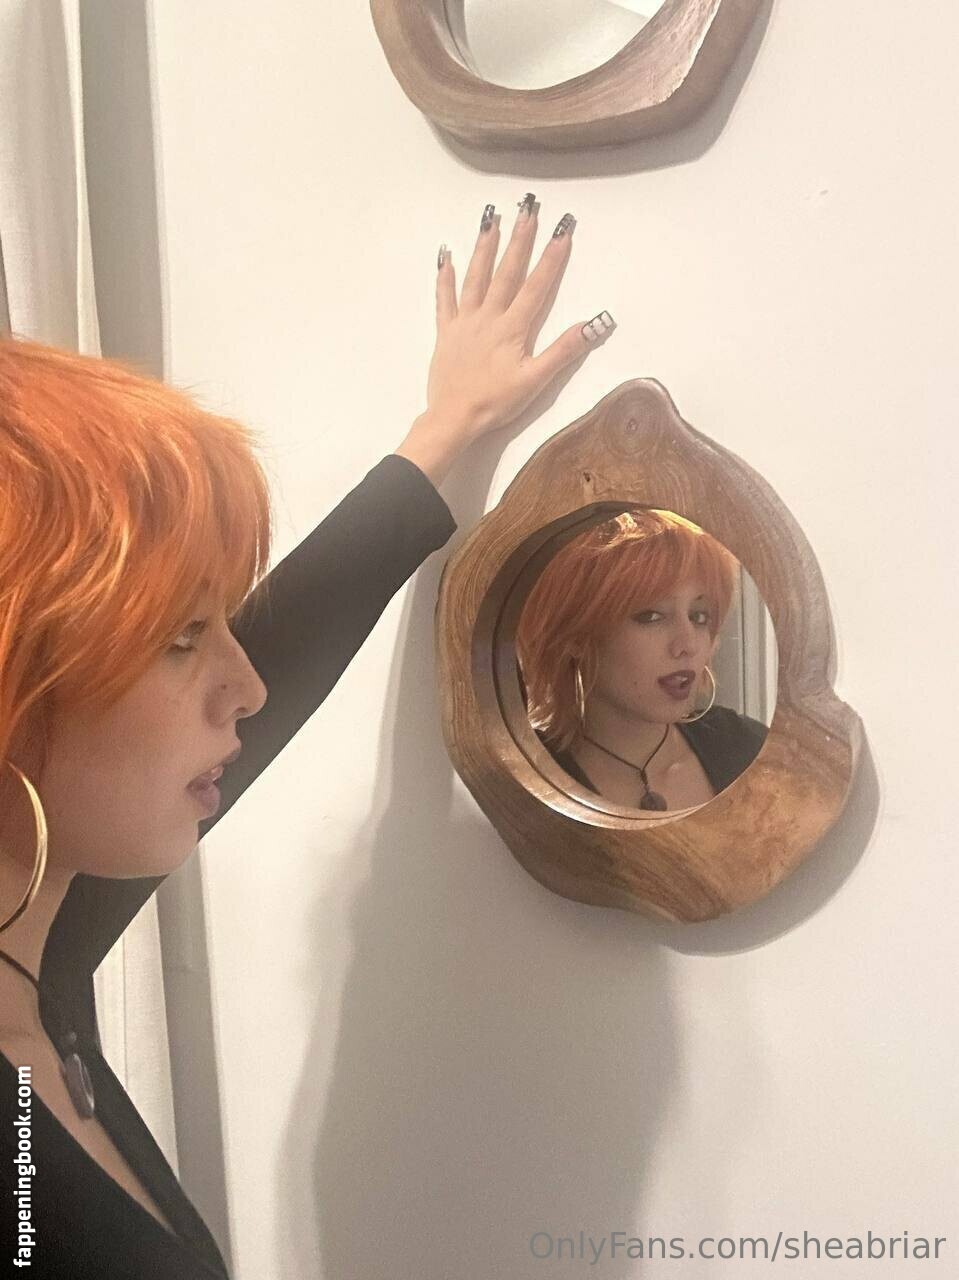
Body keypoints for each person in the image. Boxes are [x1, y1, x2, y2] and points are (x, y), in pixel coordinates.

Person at [0, 195, 616, 1276]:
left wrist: (446, 430)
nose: (242, 685)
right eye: (183, 639)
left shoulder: (36, 948)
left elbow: (280, 657)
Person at [516, 507, 768, 813]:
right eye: (651, 616)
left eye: (699, 616)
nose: (687, 645)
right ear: (578, 636)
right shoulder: (530, 781)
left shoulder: (746, 747)